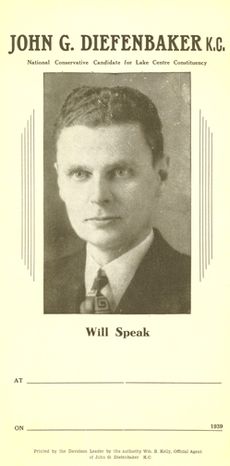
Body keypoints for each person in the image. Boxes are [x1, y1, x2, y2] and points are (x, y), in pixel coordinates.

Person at [44, 85, 190, 314]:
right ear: (60, 182)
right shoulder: (34, 287)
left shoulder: (204, 288)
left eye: (121, 172)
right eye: (80, 174)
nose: (99, 196)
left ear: (161, 175)